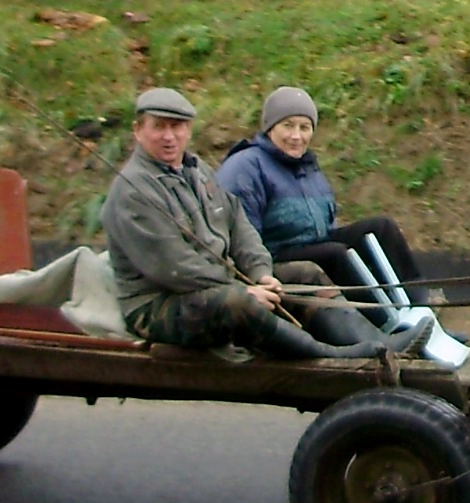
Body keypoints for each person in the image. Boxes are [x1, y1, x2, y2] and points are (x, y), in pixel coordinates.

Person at [102, 86, 431, 361]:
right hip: (158, 304)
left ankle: (381, 345)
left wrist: (262, 272)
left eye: (178, 127)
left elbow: (238, 224)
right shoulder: (133, 191)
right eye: (159, 126)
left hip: (216, 283)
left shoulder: (196, 170)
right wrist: (244, 288)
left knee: (305, 273)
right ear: (138, 130)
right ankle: (328, 355)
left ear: (189, 130)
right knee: (240, 304)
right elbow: (174, 268)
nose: (170, 136)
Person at [217, 85, 430, 310]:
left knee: (381, 228)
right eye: (287, 126)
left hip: (313, 243)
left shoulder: (307, 167)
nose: (296, 136)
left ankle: (421, 308)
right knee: (334, 253)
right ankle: (383, 319)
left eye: (304, 127)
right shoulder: (246, 166)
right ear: (270, 128)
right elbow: (241, 234)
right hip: (273, 256)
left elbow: (327, 224)